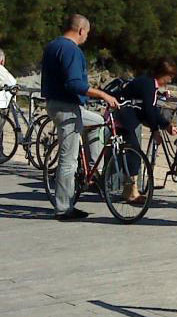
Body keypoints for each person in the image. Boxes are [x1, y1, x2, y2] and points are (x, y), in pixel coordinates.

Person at [42, 14, 119, 221]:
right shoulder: (71, 50)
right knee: (68, 159)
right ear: (81, 30)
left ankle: (93, 169)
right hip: (67, 107)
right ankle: (63, 208)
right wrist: (102, 94)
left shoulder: (52, 46)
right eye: (87, 33)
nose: (87, 37)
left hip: (54, 103)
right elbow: (74, 83)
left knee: (98, 122)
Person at [115, 59, 177, 203]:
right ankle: (132, 192)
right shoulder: (148, 84)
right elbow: (149, 110)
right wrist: (155, 130)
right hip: (123, 116)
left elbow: (152, 110)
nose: (170, 80)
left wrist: (166, 125)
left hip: (126, 115)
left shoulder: (148, 82)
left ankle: (128, 190)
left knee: (131, 151)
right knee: (134, 153)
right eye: (170, 76)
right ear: (163, 74)